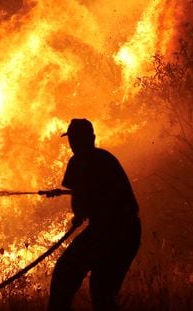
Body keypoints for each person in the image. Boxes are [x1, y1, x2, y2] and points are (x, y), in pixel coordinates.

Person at [42, 118, 141, 311]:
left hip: (111, 232)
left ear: (90, 138)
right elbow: (97, 191)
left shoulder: (79, 161)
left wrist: (78, 215)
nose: (72, 144)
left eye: (75, 139)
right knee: (102, 291)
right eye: (72, 139)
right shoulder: (105, 158)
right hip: (127, 231)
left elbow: (80, 204)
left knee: (67, 274)